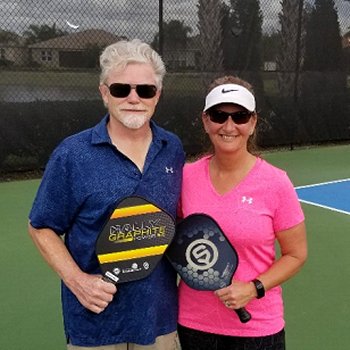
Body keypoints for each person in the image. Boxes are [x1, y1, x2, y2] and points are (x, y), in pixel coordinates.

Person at [28, 39, 185, 350]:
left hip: (159, 322)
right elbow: (41, 226)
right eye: (120, 89)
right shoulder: (72, 154)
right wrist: (78, 282)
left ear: (158, 96)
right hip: (94, 325)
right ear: (104, 93)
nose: (133, 98)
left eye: (145, 90)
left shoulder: (172, 149)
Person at [177, 75, 307, 350]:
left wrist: (254, 288)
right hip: (192, 325)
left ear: (253, 123)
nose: (228, 126)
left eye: (240, 117)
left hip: (257, 330)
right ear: (205, 120)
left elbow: (296, 254)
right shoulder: (186, 177)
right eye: (219, 115)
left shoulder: (276, 183)